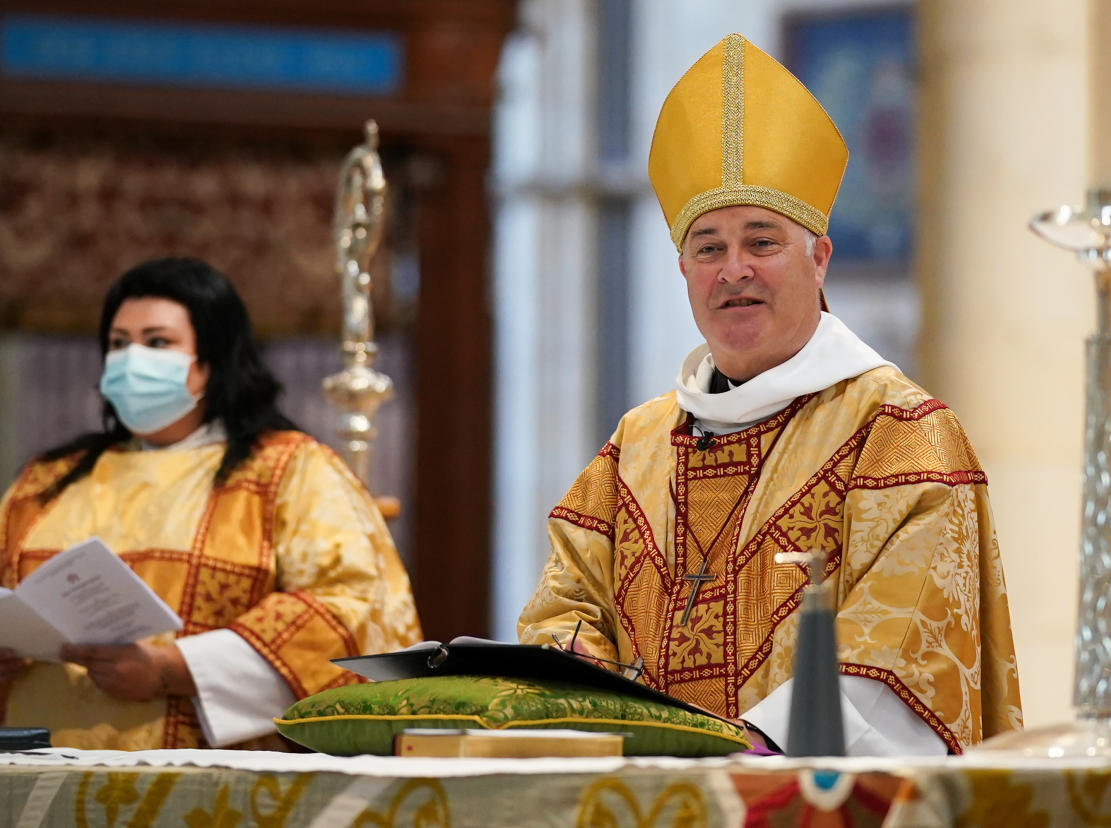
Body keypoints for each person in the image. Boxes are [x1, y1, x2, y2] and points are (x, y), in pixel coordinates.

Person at [517, 34, 1021, 755]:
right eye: (709, 248)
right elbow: (561, 612)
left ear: (819, 258)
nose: (733, 271)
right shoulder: (637, 446)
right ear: (683, 269)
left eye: (761, 241)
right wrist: (607, 725)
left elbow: (905, 653)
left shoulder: (899, 435)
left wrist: (741, 753)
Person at [0, 257, 421, 750]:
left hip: (205, 776)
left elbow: (351, 610)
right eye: (119, 344)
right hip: (35, 773)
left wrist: (172, 670)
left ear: (212, 360)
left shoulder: (287, 469)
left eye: (158, 343)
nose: (134, 360)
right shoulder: (46, 481)